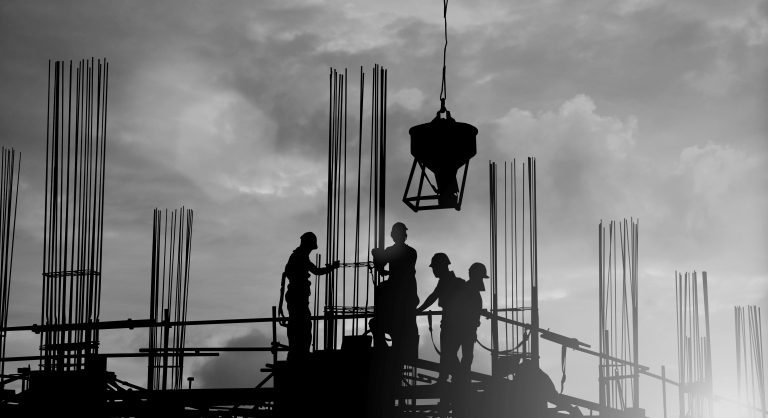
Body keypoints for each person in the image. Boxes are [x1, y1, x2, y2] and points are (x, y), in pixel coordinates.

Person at [280, 232, 339, 361]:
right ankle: (299, 353)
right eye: (311, 247)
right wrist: (332, 268)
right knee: (302, 325)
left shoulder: (299, 256)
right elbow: (316, 271)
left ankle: (297, 353)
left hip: (296, 295)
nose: (311, 250)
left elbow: (314, 270)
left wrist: (329, 269)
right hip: (297, 295)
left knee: (298, 324)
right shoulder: (300, 256)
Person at [371, 222, 420, 358]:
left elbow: (380, 266)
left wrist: (376, 256)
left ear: (393, 235)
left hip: (397, 294)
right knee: (406, 325)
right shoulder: (411, 252)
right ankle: (405, 351)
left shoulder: (395, 251)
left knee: (384, 323)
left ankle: (388, 350)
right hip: (407, 294)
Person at [416, 253, 466, 384]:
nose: (433, 271)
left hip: (451, 321)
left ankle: (451, 378)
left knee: (447, 352)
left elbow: (433, 296)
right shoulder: (447, 280)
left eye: (434, 268)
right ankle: (457, 378)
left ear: (441, 266)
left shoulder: (447, 281)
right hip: (453, 320)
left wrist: (418, 310)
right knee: (449, 352)